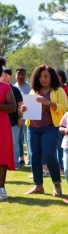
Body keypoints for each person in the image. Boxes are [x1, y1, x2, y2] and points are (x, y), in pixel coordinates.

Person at [20, 64, 68, 195]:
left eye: (46, 76)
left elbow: (64, 108)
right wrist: (23, 109)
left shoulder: (59, 91)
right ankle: (38, 186)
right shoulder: (33, 91)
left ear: (51, 77)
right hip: (33, 128)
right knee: (34, 156)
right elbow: (27, 108)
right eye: (40, 76)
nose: (43, 79)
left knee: (48, 155)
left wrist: (48, 103)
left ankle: (57, 185)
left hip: (50, 128)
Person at [0, 57, 16, 200]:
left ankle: (1, 188)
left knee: (2, 156)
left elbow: (13, 107)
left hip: (2, 126)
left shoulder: (5, 87)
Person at [0, 68, 23, 169]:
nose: (4, 77)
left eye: (6, 75)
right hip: (4, 121)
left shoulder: (14, 89)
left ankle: (15, 163)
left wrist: (20, 118)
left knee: (14, 143)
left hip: (11, 121)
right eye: (3, 75)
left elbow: (18, 105)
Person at [57, 69, 68, 173]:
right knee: (58, 146)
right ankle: (61, 167)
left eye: (58, 76)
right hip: (56, 121)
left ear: (62, 77)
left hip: (67, 121)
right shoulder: (52, 89)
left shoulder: (67, 89)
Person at [14, 67, 31, 165]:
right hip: (17, 116)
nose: (20, 76)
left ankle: (29, 157)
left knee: (27, 138)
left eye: (22, 74)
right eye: (18, 74)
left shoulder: (29, 88)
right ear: (15, 75)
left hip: (27, 116)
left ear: (25, 75)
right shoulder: (14, 87)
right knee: (18, 139)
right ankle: (21, 158)